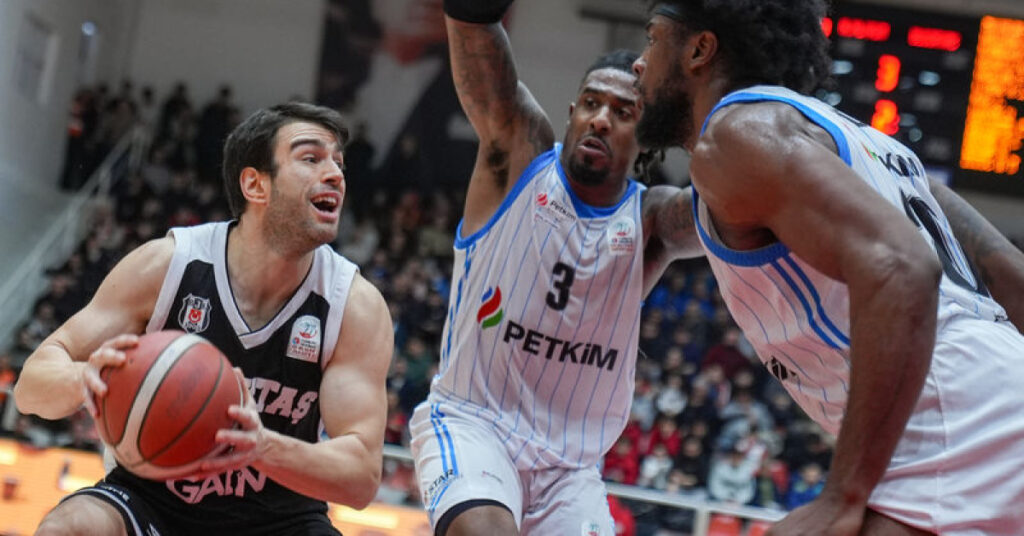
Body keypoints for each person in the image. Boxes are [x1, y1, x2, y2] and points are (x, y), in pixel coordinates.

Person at [631, 1, 1024, 534]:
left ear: (699, 50)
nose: (639, 61)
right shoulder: (873, 148)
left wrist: (843, 495)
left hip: (952, 420)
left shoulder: (735, 134)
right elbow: (1011, 276)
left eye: (653, 38)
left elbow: (904, 267)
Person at [14, 102, 394, 535]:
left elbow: (361, 477)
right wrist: (88, 379)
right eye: (311, 158)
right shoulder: (166, 266)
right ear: (255, 184)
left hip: (281, 519)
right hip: (151, 501)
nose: (336, 175)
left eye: (339, 163)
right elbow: (30, 388)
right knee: (69, 527)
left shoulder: (353, 305)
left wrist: (262, 447)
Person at [408, 1, 707, 534]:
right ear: (571, 113)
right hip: (474, 423)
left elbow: (731, 207)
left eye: (623, 112)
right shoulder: (517, 155)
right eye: (590, 103)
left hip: (569, 467)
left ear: (645, 136)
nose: (600, 118)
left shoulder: (652, 221)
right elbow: (474, 26)